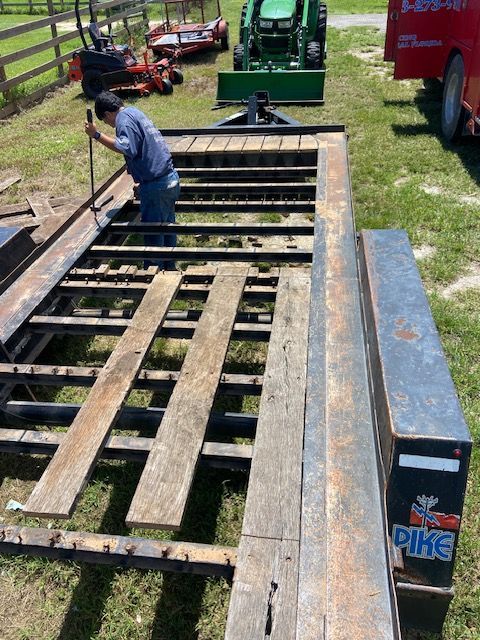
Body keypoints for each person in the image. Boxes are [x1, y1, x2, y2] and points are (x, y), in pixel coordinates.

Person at [84, 91, 180, 270]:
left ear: (107, 114)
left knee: (153, 234)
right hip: (169, 178)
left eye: (107, 122)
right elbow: (144, 147)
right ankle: (169, 267)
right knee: (167, 226)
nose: (111, 125)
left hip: (156, 186)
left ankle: (154, 275)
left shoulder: (123, 120)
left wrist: (96, 135)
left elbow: (125, 147)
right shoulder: (135, 112)